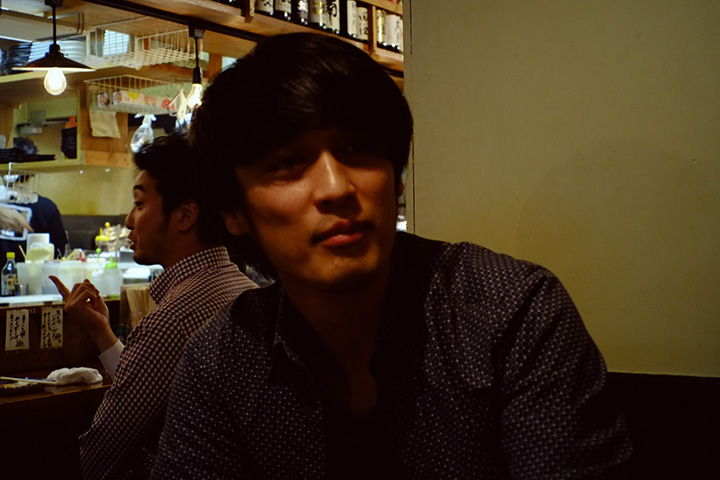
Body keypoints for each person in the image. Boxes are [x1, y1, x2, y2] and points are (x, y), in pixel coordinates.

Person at [151, 33, 632, 479]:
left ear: (396, 178)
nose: (337, 187)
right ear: (233, 212)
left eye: (357, 147)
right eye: (288, 163)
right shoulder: (223, 360)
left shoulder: (512, 312)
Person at [50, 133, 257, 479]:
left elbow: (98, 458)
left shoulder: (173, 319)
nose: (129, 220)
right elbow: (155, 387)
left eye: (140, 204)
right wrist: (102, 332)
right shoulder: (244, 288)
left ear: (185, 215)